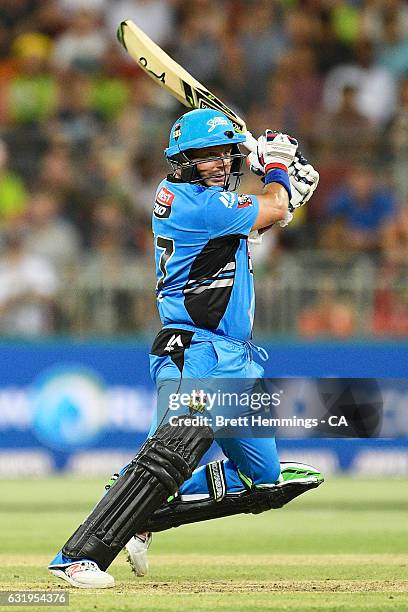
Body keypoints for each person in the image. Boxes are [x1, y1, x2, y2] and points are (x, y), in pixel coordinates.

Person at [48, 109, 323, 589]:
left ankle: (144, 513)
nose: (218, 163)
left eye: (223, 154)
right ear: (183, 161)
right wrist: (279, 169)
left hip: (234, 355)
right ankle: (76, 557)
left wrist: (281, 182)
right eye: (205, 156)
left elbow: (265, 218)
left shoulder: (204, 202)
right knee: (172, 450)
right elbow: (274, 209)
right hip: (194, 349)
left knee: (266, 481)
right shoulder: (199, 206)